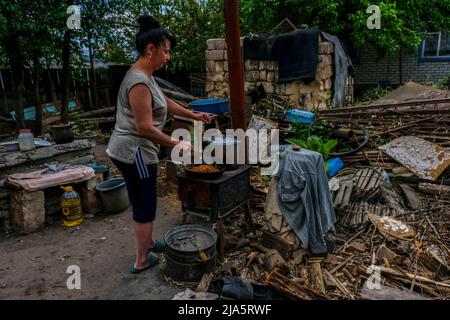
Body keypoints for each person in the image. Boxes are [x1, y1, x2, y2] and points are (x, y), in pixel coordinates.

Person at [106, 14, 211, 273]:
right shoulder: (138, 81)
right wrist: (177, 142)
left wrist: (193, 114)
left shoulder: (147, 76)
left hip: (135, 149)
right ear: (150, 49)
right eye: (166, 52)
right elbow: (144, 127)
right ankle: (142, 259)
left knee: (145, 196)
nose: (168, 57)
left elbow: (163, 101)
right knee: (145, 202)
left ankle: (149, 241)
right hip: (135, 153)